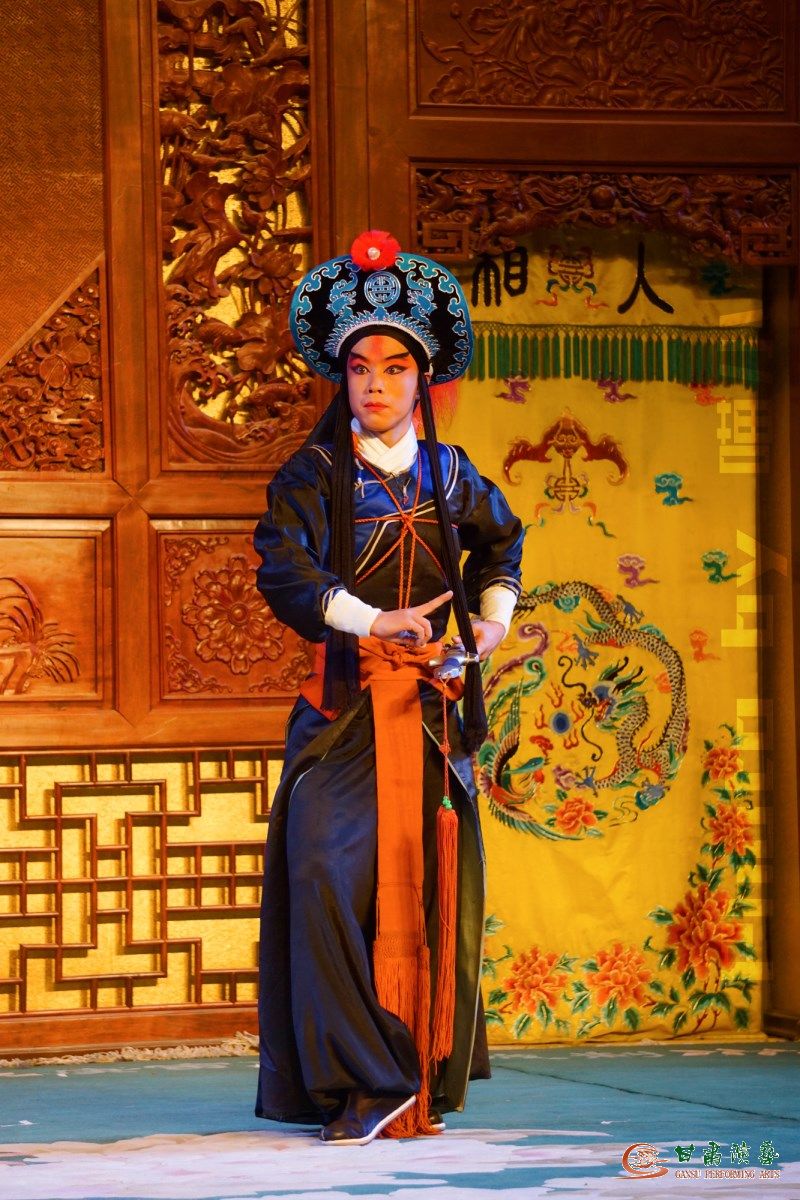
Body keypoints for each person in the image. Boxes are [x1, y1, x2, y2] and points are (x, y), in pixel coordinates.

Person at [253, 231, 524, 1145]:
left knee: (429, 890)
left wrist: (488, 626)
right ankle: (359, 1081)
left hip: (433, 715)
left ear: (422, 380)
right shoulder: (315, 474)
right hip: (344, 712)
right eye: (361, 368)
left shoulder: (451, 474)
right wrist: (373, 622)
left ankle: (415, 1078)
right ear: (344, 379)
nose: (376, 384)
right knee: (323, 874)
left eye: (395, 368)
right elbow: (284, 570)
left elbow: (501, 548)